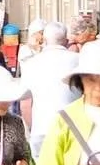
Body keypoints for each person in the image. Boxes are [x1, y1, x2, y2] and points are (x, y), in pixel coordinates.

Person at [17, 19, 77, 155]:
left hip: (42, 129)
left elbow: (24, 100)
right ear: (66, 40)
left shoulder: (32, 63)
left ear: (44, 40)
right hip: (73, 129)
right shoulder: (78, 60)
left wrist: (31, 128)